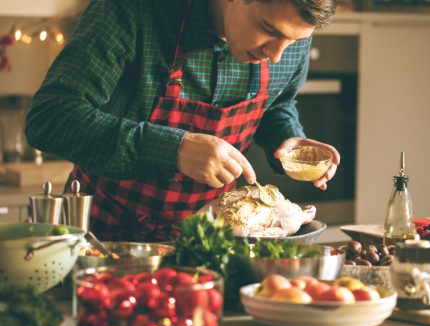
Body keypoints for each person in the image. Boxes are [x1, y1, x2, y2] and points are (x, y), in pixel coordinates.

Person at [26, 0, 340, 242]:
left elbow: (277, 105)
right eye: (269, 30)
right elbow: (50, 116)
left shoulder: (287, 39)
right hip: (103, 239)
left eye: (294, 41)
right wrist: (172, 149)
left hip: (209, 245)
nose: (277, 55)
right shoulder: (132, 10)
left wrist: (287, 136)